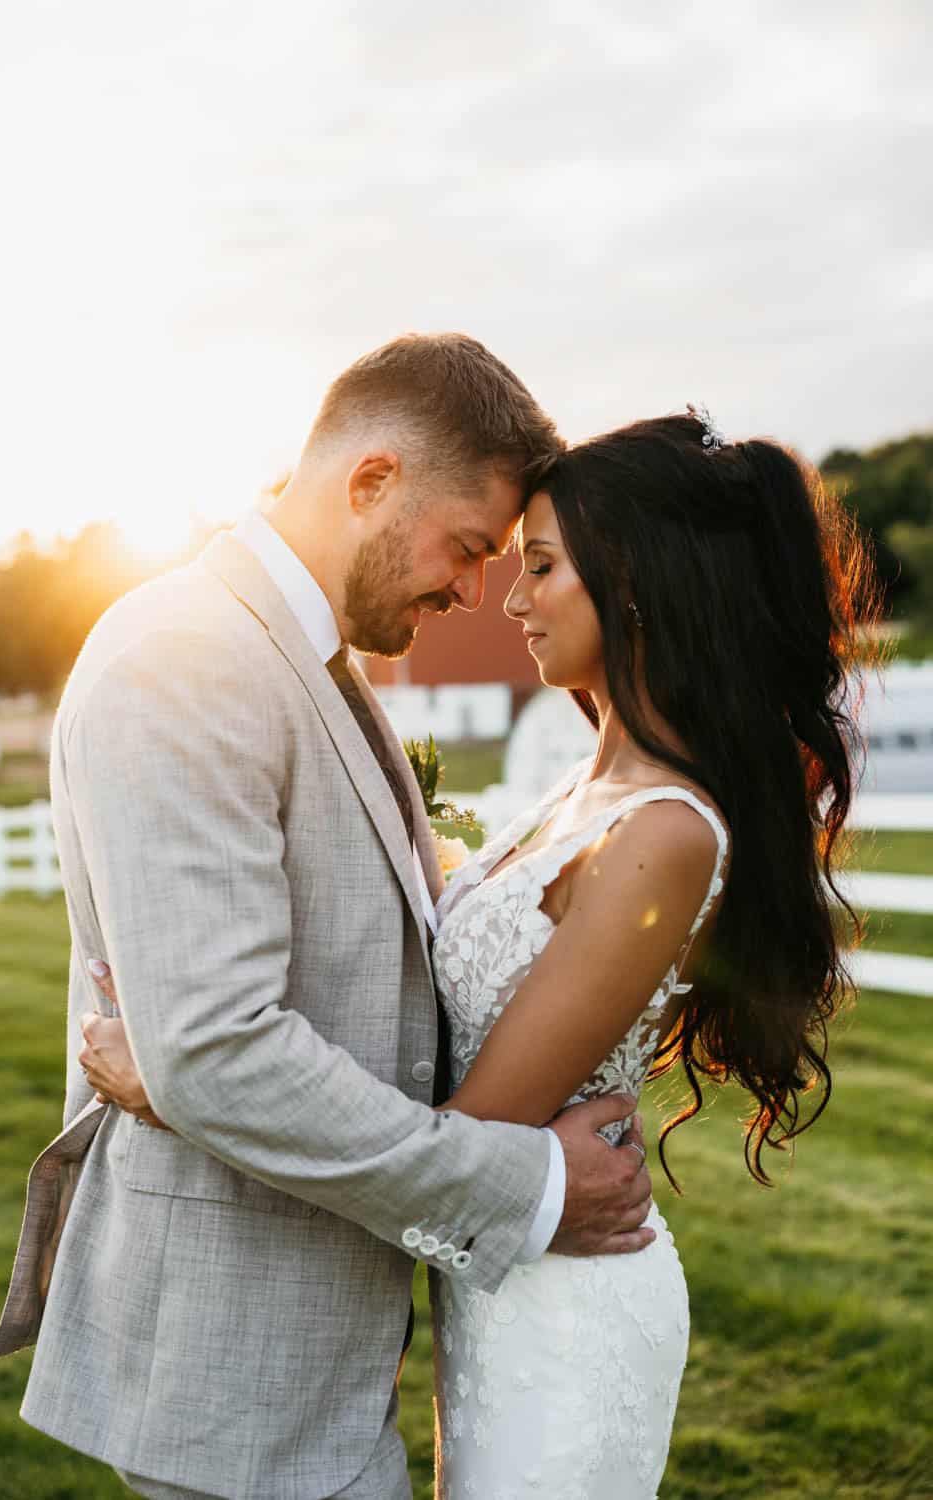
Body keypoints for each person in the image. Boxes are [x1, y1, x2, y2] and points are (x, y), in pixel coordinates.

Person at [80, 405, 876, 1498]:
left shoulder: (662, 836)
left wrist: (179, 1080)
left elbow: (470, 1130)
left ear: (633, 583)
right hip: (495, 1290)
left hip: (562, 1312)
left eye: (540, 565)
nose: (506, 597)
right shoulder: (587, 792)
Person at [0, 333, 657, 1500]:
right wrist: (527, 1185)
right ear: (370, 481)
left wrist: (185, 1072)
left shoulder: (306, 659)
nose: (470, 591)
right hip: (232, 1361)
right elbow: (221, 1049)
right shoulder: (187, 658)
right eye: (467, 547)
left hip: (314, 1354)